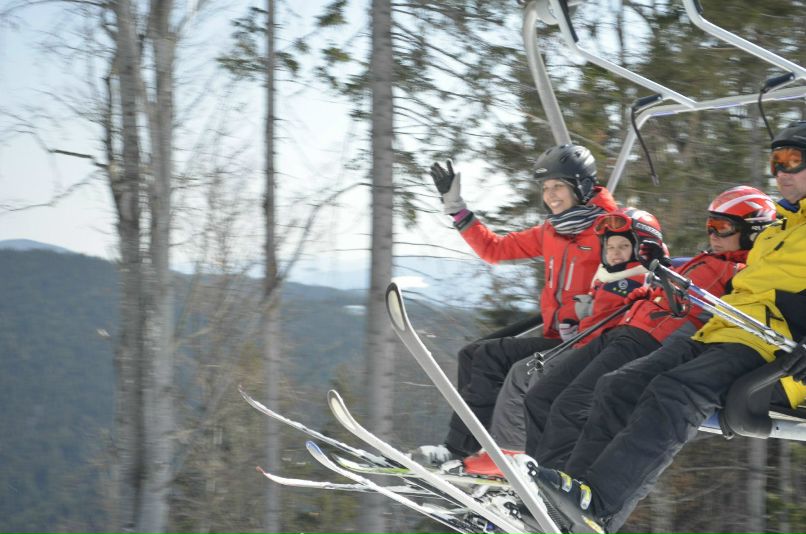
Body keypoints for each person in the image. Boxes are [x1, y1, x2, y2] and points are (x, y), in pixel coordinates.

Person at [514, 123, 806, 534]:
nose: (782, 171)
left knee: (676, 391)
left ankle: (597, 509)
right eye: (777, 161)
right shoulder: (779, 229)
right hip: (721, 327)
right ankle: (566, 500)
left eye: (794, 160)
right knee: (620, 384)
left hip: (770, 344)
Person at [411, 144, 618, 465]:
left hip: (589, 341)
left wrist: (586, 313)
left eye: (558, 186)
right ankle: (468, 447)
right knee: (472, 354)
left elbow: (631, 281)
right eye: (546, 188)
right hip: (558, 337)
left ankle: (478, 451)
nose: (550, 195)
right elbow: (494, 249)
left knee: (492, 358)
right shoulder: (553, 230)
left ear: (583, 185)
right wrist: (456, 208)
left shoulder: (612, 229)